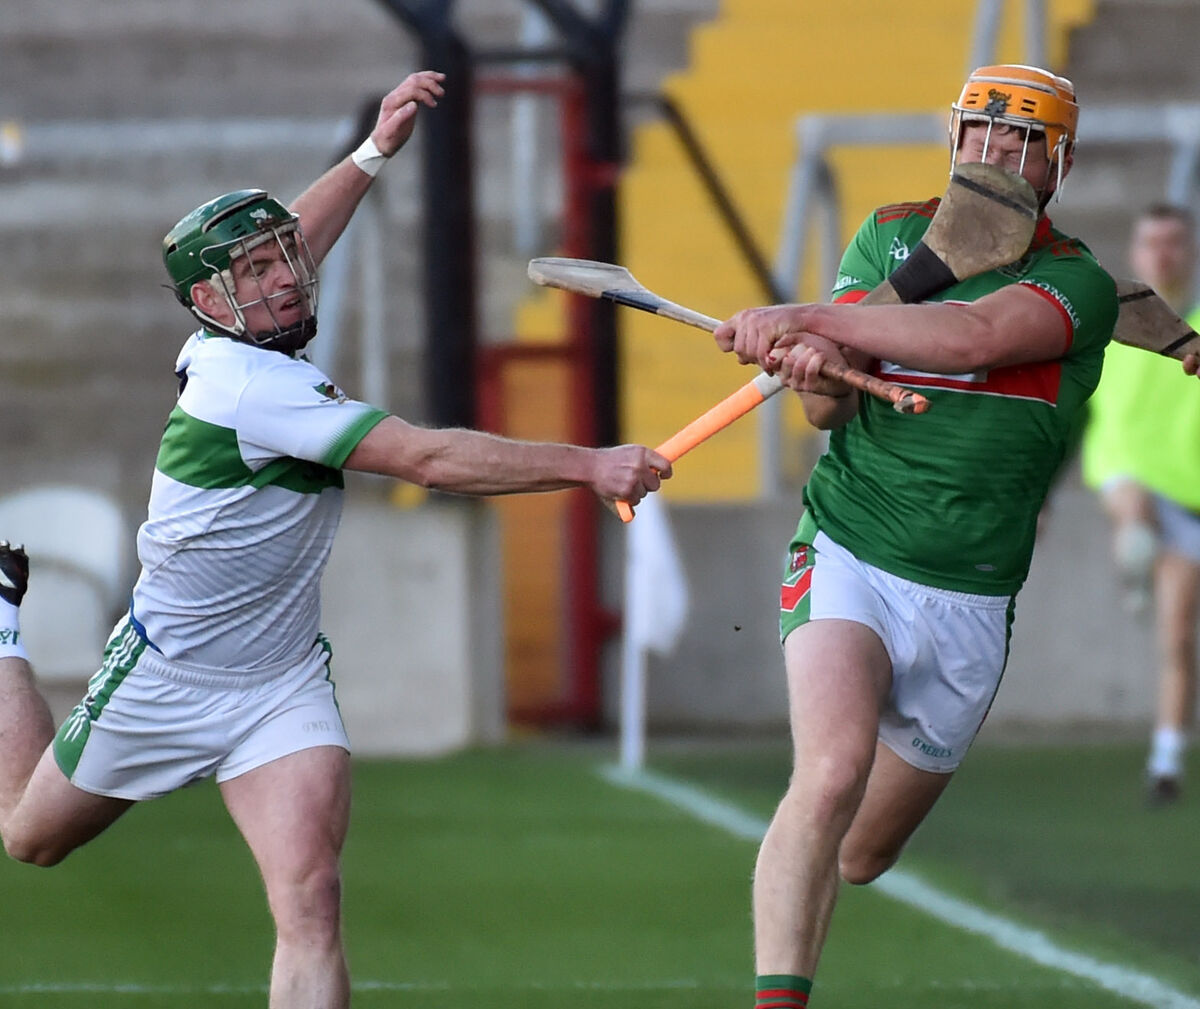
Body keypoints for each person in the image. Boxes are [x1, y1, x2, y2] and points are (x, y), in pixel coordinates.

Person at [0, 70, 669, 1009]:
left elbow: (298, 245)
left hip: (279, 681)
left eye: (280, 259)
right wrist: (589, 465)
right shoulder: (251, 387)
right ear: (211, 302)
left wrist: (372, 152)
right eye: (256, 273)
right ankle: (3, 628)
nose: (284, 277)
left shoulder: (241, 332)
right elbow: (428, 457)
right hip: (168, 671)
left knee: (310, 899)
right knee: (29, 836)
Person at [711, 65, 1118, 1007]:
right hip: (850, 543)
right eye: (980, 132)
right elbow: (824, 412)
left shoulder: (1078, 283)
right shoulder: (889, 235)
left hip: (968, 594)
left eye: (1023, 141)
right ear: (954, 138)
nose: (996, 153)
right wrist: (817, 364)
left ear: (1059, 165)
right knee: (830, 774)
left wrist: (809, 317)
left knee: (861, 851)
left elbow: (974, 338)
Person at [1081, 204, 1200, 804]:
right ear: (1135, 253)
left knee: (1177, 636)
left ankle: (1166, 760)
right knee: (1131, 501)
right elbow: (1071, 414)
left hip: (1188, 493)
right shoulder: (1110, 327)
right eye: (1152, 242)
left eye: (1173, 242)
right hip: (1125, 472)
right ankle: (1135, 551)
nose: (1162, 253)